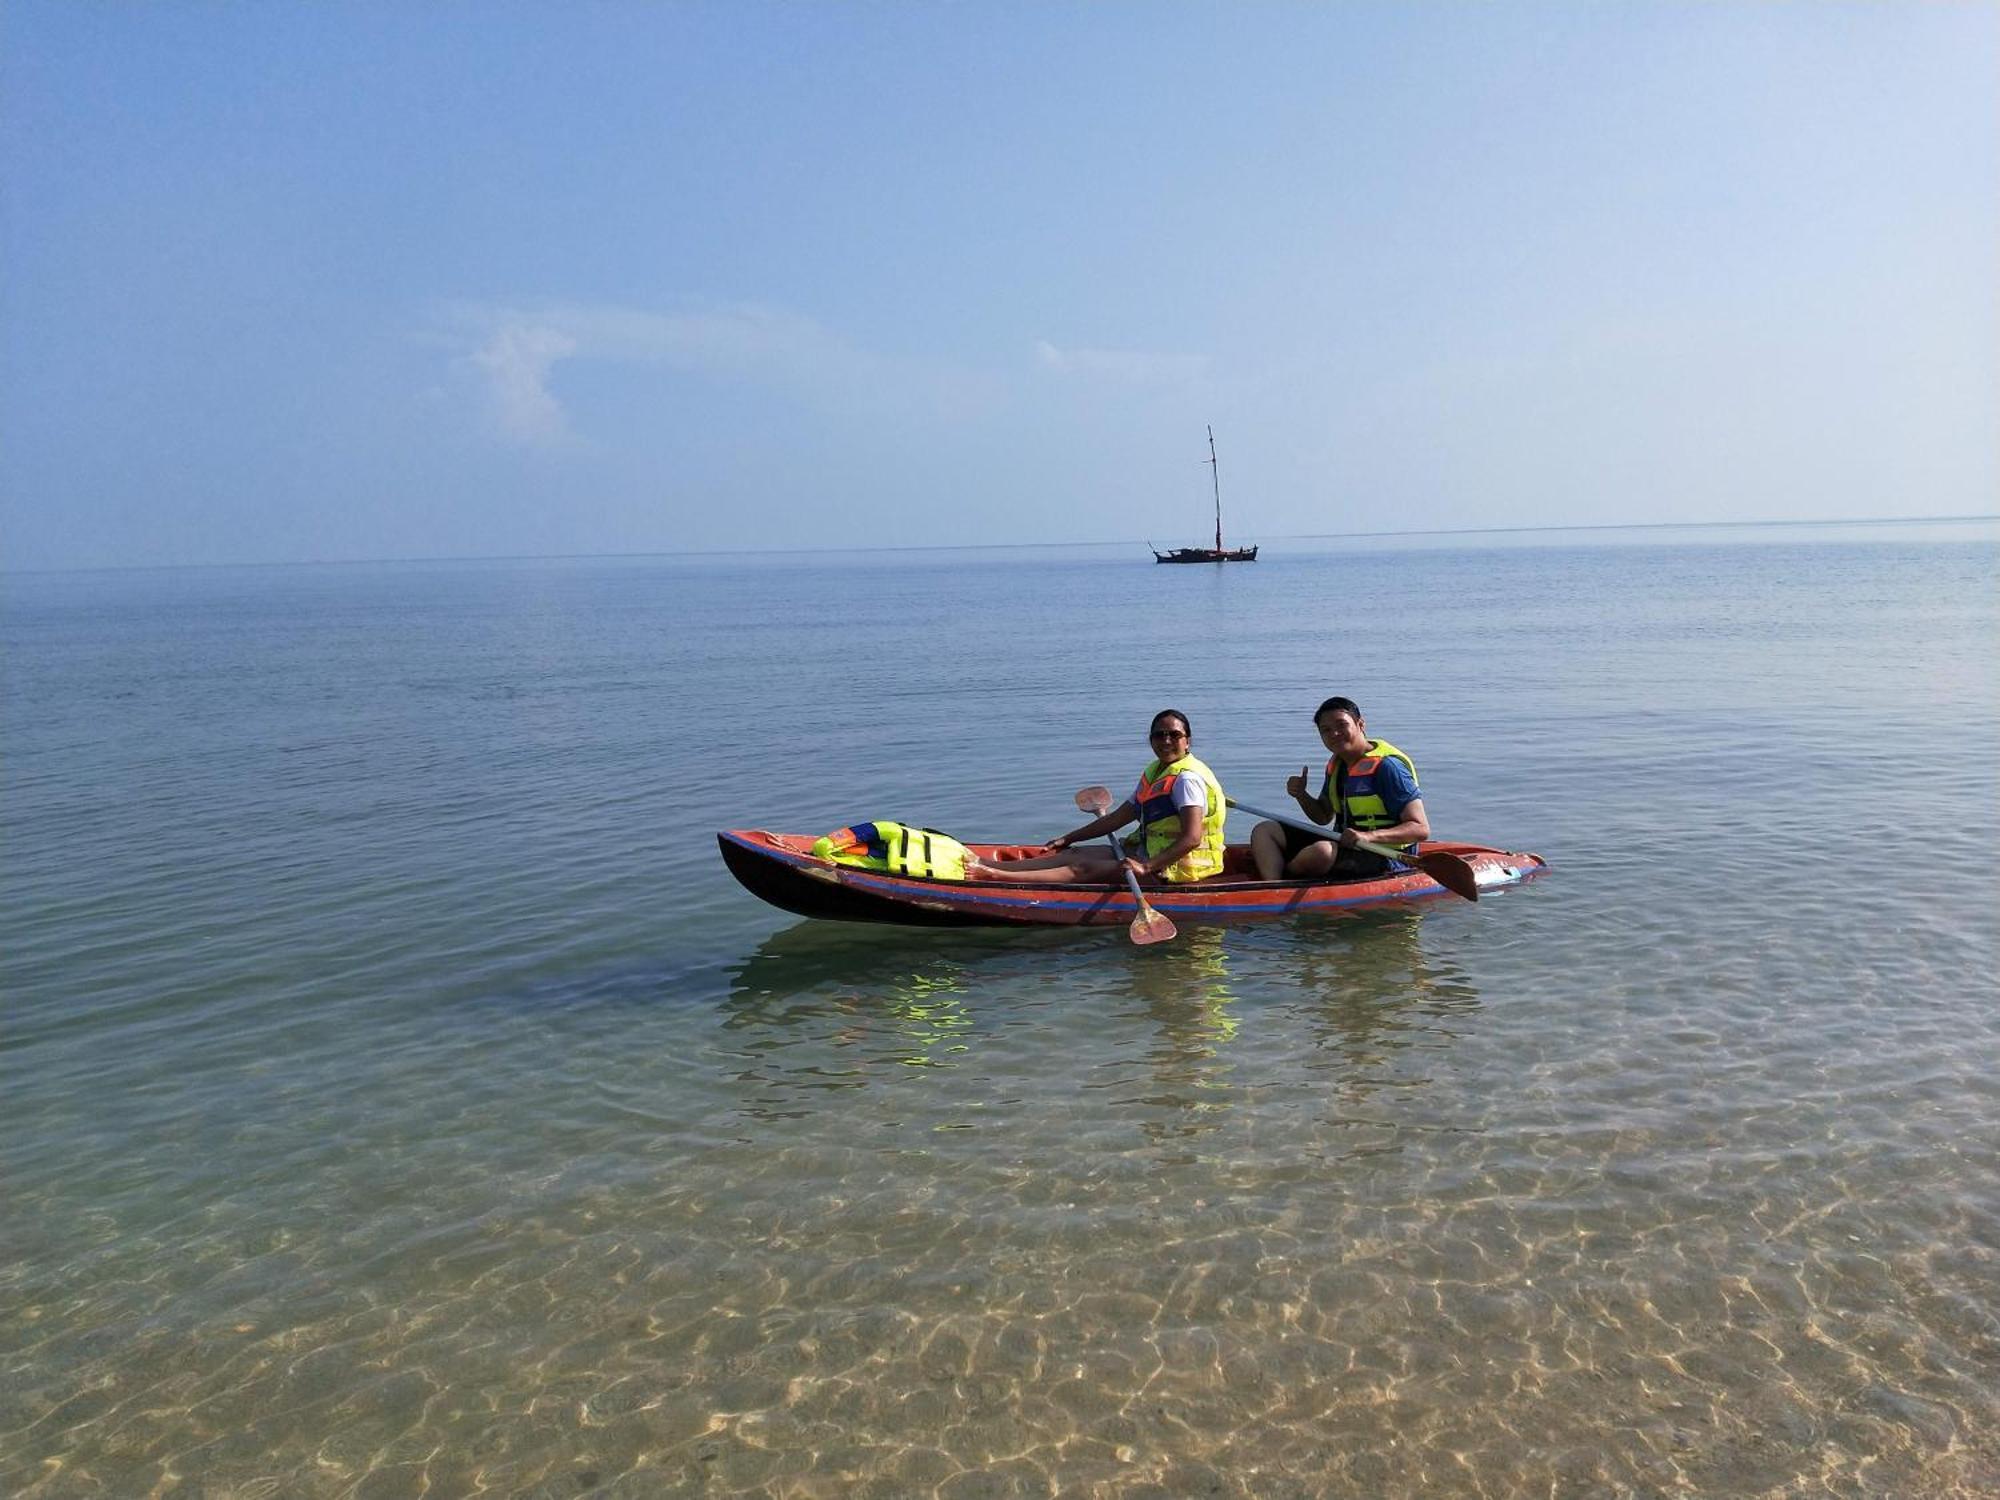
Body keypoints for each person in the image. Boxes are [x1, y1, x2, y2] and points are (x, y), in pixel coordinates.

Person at [967, 709, 1226, 884]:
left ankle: (990, 876)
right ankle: (990, 865)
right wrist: (1068, 837)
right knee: (1073, 854)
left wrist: (1146, 867)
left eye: (1174, 735)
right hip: (1146, 852)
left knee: (1083, 869)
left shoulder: (1187, 780)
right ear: (1151, 740)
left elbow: (1192, 838)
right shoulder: (1156, 771)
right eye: (1159, 734)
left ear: (1187, 741)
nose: (1166, 740)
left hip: (1175, 869)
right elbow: (1119, 817)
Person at [1250, 697, 1429, 882]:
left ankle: (1284, 881)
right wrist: (1301, 795)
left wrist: (1368, 836)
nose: (1334, 733)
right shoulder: (1338, 765)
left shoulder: (1388, 768)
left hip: (1385, 855)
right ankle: (1273, 884)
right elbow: (1322, 817)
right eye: (1325, 730)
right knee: (1265, 830)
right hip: (1344, 845)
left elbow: (1420, 828)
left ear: (1360, 724)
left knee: (1321, 852)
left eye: (1341, 725)